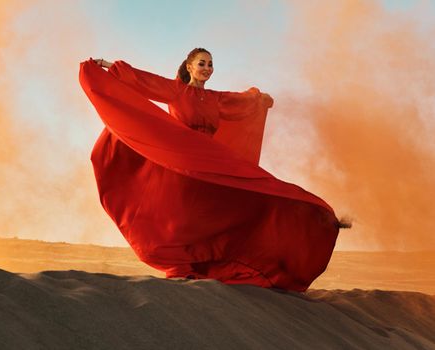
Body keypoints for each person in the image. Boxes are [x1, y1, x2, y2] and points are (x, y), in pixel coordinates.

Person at [79, 48, 348, 292]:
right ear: (190, 66)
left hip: (209, 161)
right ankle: (179, 267)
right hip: (183, 161)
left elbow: (242, 102)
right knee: (181, 218)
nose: (207, 68)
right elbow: (142, 80)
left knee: (244, 195)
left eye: (210, 64)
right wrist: (105, 65)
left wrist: (259, 100)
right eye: (202, 63)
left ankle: (315, 215)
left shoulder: (216, 99)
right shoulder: (176, 91)